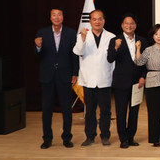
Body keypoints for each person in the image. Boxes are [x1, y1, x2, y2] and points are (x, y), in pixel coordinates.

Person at [34, 8, 78, 149]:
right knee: (47, 109)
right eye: (54, 15)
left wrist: (75, 73)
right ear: (50, 18)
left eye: (59, 15)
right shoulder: (42, 33)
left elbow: (75, 55)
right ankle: (47, 139)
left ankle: (67, 138)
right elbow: (38, 55)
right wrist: (38, 46)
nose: (57, 17)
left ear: (63, 17)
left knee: (66, 109)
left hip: (65, 75)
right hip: (47, 76)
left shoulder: (71, 33)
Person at [73, 9, 116, 146]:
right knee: (90, 111)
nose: (97, 22)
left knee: (105, 111)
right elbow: (78, 51)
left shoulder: (111, 37)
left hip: (104, 78)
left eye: (100, 19)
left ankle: (105, 136)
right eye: (94, 19)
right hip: (88, 79)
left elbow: (113, 59)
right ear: (90, 21)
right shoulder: (82, 35)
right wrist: (83, 38)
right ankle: (90, 136)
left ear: (104, 21)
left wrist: (112, 75)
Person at [106, 14, 148, 149]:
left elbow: (145, 63)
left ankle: (131, 137)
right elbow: (110, 59)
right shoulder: (115, 40)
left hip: (137, 82)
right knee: (121, 112)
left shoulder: (142, 41)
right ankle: (123, 138)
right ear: (122, 25)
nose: (129, 26)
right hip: (121, 82)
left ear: (135, 25)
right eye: (126, 23)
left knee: (134, 112)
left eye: (132, 23)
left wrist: (143, 76)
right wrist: (116, 48)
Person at [136, 24, 160, 147]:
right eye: (156, 34)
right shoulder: (148, 50)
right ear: (152, 36)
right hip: (153, 82)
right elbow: (138, 62)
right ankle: (154, 138)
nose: (159, 36)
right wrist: (138, 49)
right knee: (154, 112)